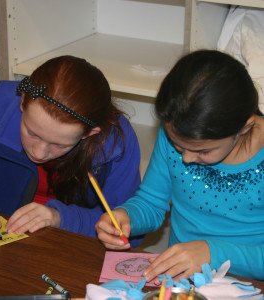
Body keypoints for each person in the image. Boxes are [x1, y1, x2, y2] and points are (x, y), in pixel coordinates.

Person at [96, 50, 264, 281]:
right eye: (177, 146)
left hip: (248, 283)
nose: (186, 159)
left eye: (203, 150)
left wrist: (212, 254)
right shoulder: (177, 131)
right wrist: (127, 217)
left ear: (244, 127)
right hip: (181, 281)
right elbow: (152, 202)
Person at [0, 55, 143, 246]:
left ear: (90, 133)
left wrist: (60, 218)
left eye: (60, 145)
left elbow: (128, 231)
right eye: (32, 132)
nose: (39, 153)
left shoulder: (116, 142)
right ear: (23, 101)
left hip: (74, 245)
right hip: (3, 239)